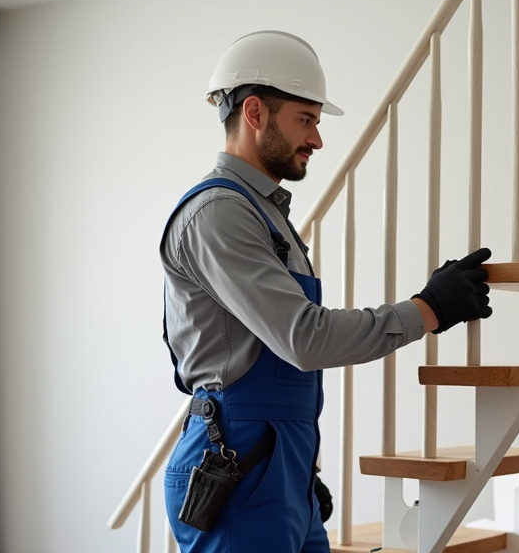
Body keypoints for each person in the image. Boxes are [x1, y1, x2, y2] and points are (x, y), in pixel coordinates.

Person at [159, 30, 493, 553]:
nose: (317, 139)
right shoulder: (219, 213)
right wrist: (428, 309)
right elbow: (304, 339)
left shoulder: (262, 211)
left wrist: (298, 467)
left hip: (277, 463)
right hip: (239, 469)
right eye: (306, 119)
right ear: (254, 113)